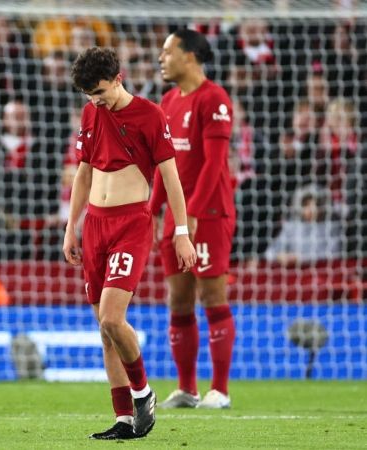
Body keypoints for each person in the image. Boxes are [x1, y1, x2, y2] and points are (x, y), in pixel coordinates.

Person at [63, 47, 196, 440]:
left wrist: (182, 232)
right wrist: (72, 227)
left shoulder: (150, 115)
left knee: (111, 317)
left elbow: (171, 179)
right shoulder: (91, 113)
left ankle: (143, 394)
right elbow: (83, 175)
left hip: (131, 224)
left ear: (118, 78)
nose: (95, 100)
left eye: (100, 91)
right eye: (88, 94)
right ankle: (123, 418)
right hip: (95, 226)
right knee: (105, 331)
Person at [152, 29, 237, 410]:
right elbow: (162, 165)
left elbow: (214, 163)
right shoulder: (168, 101)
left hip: (210, 214)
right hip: (176, 217)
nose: (161, 59)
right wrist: (152, 209)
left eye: (168, 52)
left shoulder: (214, 99)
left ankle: (220, 389)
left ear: (189, 56)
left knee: (212, 295)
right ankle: (187, 389)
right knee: (179, 299)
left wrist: (196, 213)